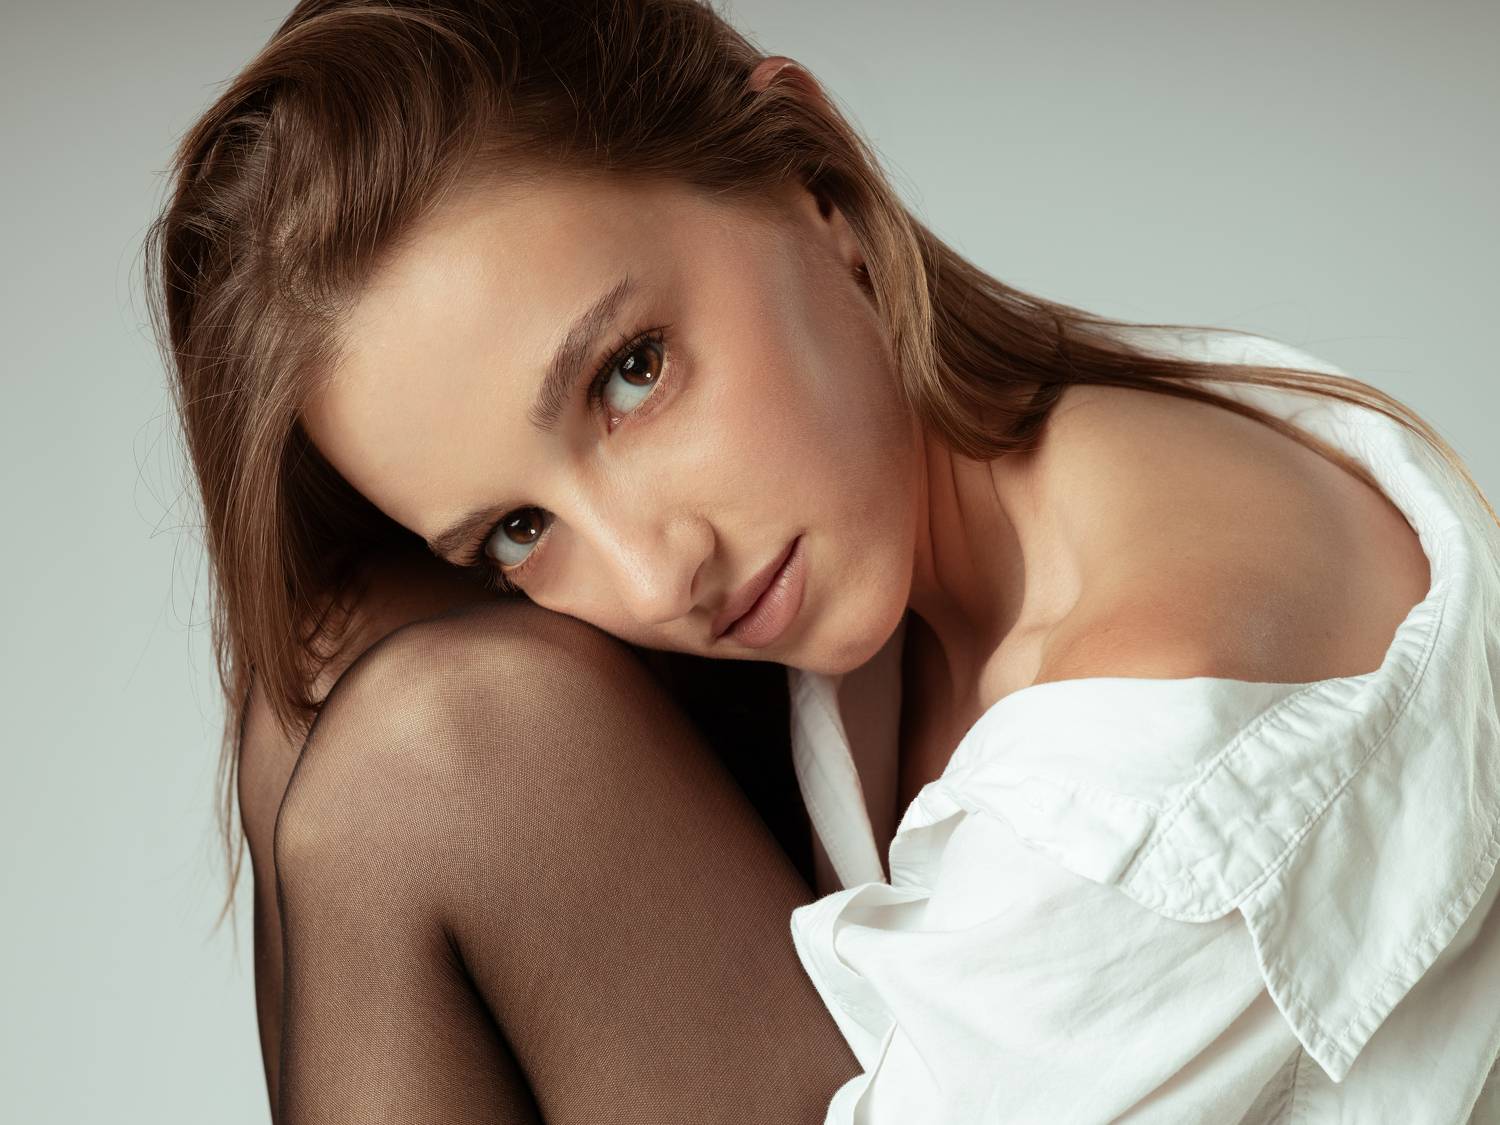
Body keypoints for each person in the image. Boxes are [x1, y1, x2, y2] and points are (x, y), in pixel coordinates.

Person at [143, 1, 1500, 1121]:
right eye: (518, 530)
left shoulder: (1138, 769)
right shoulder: (984, 504)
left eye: (629, 373)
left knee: (434, 750)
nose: (655, 575)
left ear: (815, 182)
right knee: (328, 663)